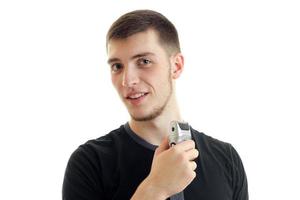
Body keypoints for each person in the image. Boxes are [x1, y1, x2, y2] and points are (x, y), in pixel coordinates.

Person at [62, 9, 248, 200]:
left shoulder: (226, 159)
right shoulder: (90, 163)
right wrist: (155, 188)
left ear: (176, 66)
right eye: (117, 66)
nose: (128, 80)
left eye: (144, 61)